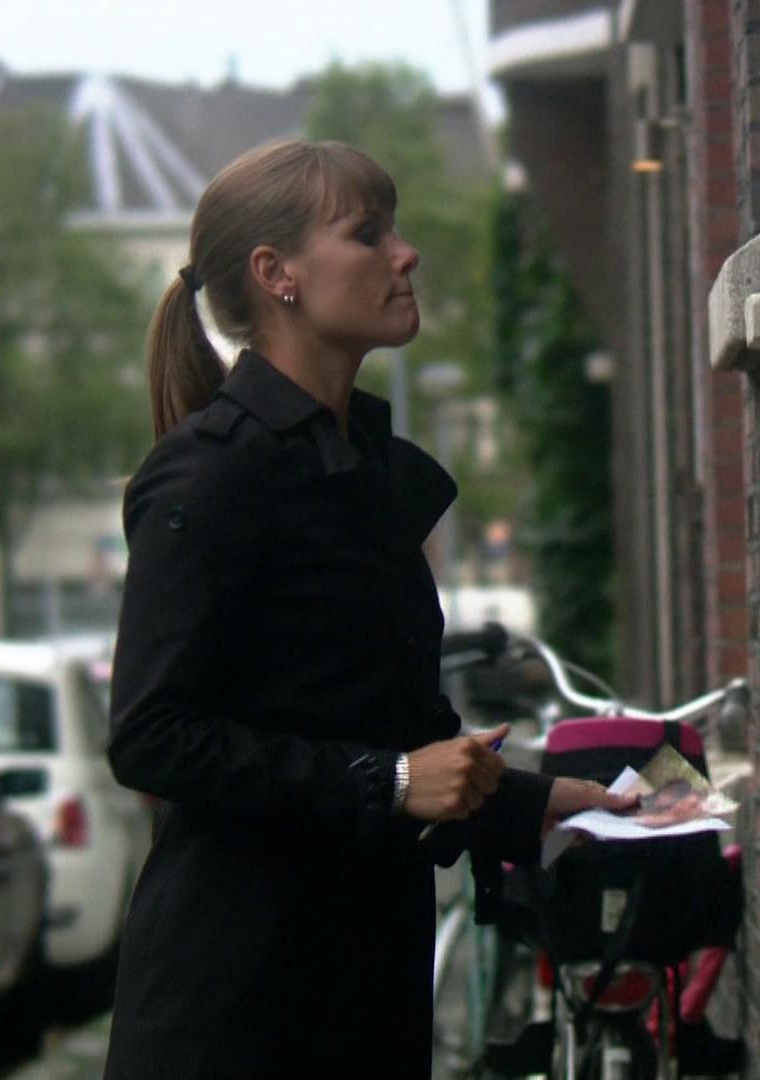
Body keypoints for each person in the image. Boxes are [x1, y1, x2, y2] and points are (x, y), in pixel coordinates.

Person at [102, 139, 635, 1079]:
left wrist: (548, 802)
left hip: (364, 985)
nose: (405, 253)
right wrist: (387, 780)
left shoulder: (360, 471)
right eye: (368, 234)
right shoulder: (212, 476)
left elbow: (390, 735)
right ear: (278, 274)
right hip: (242, 1007)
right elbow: (151, 738)